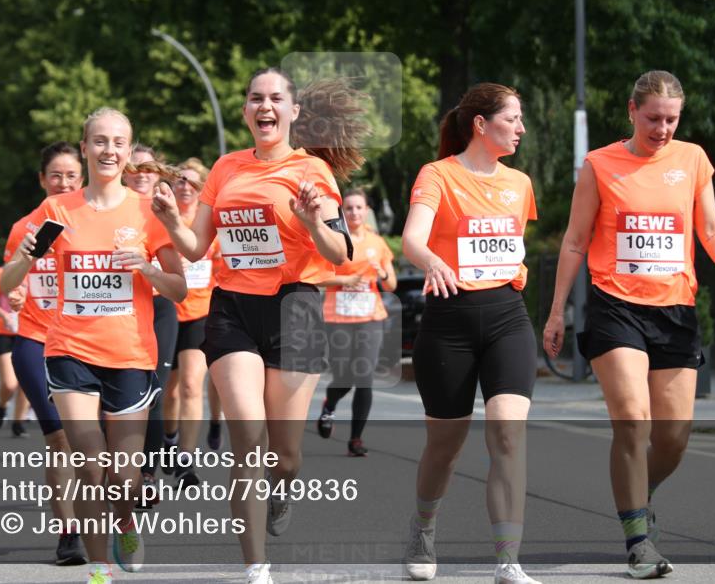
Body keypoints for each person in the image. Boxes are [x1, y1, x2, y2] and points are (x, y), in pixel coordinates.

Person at [151, 68, 367, 584]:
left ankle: (283, 489)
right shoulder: (225, 168)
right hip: (232, 309)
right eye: (254, 98)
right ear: (245, 110)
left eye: (275, 99)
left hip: (295, 307)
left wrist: (315, 222)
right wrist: (168, 219)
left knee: (285, 456)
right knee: (248, 432)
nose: (264, 106)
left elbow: (340, 253)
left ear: (293, 112)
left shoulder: (312, 171)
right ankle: (256, 567)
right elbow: (197, 247)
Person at [542, 71, 715, 580]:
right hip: (615, 307)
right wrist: (556, 312)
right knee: (633, 418)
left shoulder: (692, 160)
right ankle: (638, 541)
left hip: (676, 310)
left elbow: (708, 227)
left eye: (672, 119)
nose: (662, 128)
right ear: (632, 110)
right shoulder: (600, 164)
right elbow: (574, 241)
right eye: (654, 117)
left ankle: (643, 494)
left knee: (674, 437)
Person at [1, 108, 186, 584]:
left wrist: (144, 270)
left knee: (124, 478)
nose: (109, 150)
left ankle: (125, 518)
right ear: (85, 149)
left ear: (129, 151)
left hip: (129, 354)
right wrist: (23, 259)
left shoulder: (147, 213)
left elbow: (179, 289)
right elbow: (9, 282)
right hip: (69, 350)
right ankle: (99, 568)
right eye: (99, 141)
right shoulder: (57, 211)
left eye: (118, 142)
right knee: (88, 463)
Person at [401, 84, 542, 584]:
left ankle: (508, 559)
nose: (522, 128)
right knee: (446, 445)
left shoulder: (520, 183)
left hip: (507, 314)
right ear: (481, 124)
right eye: (513, 118)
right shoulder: (437, 175)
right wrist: (433, 260)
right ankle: (423, 527)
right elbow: (413, 238)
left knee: (508, 432)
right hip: (449, 319)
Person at [2, 140, 87, 566]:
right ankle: (68, 534)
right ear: (42, 179)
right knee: (58, 439)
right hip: (35, 340)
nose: (64, 182)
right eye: (56, 175)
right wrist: (16, 293)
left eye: (72, 175)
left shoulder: (92, 222)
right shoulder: (24, 228)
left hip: (86, 343)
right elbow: (9, 279)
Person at [315, 188, 397, 456]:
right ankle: (329, 405)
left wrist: (382, 272)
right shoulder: (335, 242)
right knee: (345, 376)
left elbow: (391, 284)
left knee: (364, 377)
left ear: (367, 211)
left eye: (359, 208)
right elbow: (316, 277)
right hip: (338, 317)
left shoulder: (377, 242)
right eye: (348, 208)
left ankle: (356, 439)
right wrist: (345, 281)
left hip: (370, 317)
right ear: (342, 212)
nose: (354, 212)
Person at [123, 143, 180, 505]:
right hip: (119, 313)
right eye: (136, 168)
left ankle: (146, 475)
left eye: (149, 168)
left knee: (155, 390)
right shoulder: (110, 207)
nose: (142, 174)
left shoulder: (166, 209)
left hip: (159, 307)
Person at [159, 158, 221, 487]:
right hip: (168, 313)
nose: (185, 186)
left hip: (200, 312)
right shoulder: (163, 218)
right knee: (169, 391)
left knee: (191, 385)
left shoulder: (209, 222)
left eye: (193, 182)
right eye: (180, 180)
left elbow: (224, 266)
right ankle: (169, 437)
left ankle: (186, 459)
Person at [0, 256, 30, 436]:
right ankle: (2, 405)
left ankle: (18, 422)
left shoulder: (34, 272)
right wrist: (4, 315)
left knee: (27, 384)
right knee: (10, 383)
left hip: (27, 332)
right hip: (4, 333)